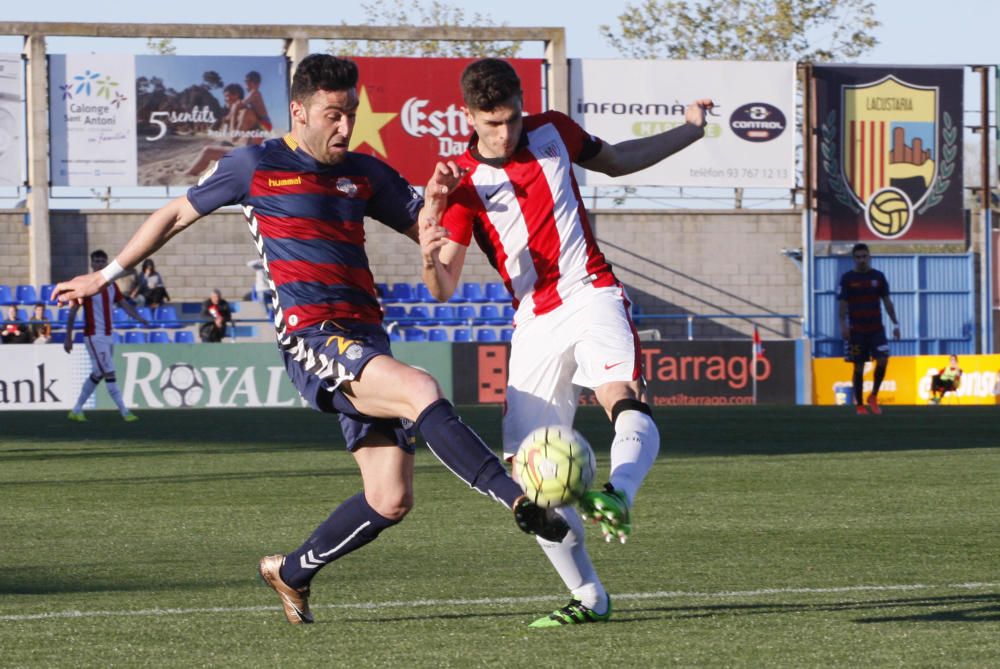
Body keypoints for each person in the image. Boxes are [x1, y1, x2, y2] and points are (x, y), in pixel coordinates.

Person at [53, 53, 567, 626]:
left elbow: (433, 229)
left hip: (366, 336)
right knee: (420, 387)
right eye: (333, 115)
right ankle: (519, 501)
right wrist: (104, 276)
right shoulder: (253, 165)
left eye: (350, 113)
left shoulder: (366, 174)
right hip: (312, 336)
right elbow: (175, 215)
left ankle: (292, 571)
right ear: (298, 111)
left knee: (390, 498)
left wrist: (441, 205)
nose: (345, 127)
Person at [419, 57, 713, 627]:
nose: (504, 134)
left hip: (590, 289)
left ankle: (618, 493)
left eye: (510, 119)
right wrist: (428, 248)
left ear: (522, 104)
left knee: (621, 392)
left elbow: (621, 162)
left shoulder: (554, 130)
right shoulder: (457, 182)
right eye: (491, 124)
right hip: (532, 320)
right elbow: (444, 287)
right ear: (468, 116)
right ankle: (589, 597)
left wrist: (691, 129)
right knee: (531, 482)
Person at [64, 249, 150, 422]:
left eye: (102, 261)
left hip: (109, 336)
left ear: (106, 263)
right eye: (96, 261)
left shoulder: (111, 285)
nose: (99, 263)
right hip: (94, 336)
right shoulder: (86, 286)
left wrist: (139, 317)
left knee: (98, 373)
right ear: (91, 263)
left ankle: (76, 410)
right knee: (109, 372)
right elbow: (73, 311)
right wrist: (68, 336)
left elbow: (124, 304)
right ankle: (125, 412)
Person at [837, 242, 901, 415]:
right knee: (858, 366)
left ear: (869, 257)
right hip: (857, 330)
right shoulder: (847, 279)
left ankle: (873, 396)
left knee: (883, 360)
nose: (862, 260)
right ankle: (859, 405)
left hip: (876, 330)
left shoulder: (878, 277)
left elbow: (887, 302)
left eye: (864, 256)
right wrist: (843, 325)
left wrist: (896, 324)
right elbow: (842, 305)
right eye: (858, 257)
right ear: (853, 259)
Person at [185, 83, 262, 177]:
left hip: (252, 160)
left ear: (238, 97)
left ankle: (188, 174)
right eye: (226, 96)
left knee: (208, 151)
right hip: (245, 153)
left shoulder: (245, 113)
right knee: (221, 144)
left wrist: (233, 112)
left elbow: (234, 137)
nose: (227, 99)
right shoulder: (239, 113)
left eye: (230, 95)